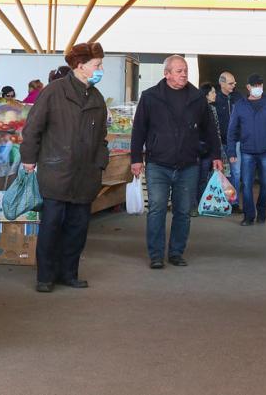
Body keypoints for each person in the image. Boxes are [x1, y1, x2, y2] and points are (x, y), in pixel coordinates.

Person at [20, 42, 109, 293]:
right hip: (57, 172)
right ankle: (45, 277)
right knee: (52, 226)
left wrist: (100, 162)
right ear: (81, 66)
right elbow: (33, 128)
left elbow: (102, 137)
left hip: (86, 174)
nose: (101, 69)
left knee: (77, 228)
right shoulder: (53, 91)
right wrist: (28, 158)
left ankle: (69, 273)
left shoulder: (96, 97)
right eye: (97, 65)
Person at [130, 55, 222, 269]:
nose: (184, 74)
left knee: (183, 211)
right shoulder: (150, 96)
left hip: (188, 165)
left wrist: (216, 155)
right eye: (179, 71)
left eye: (185, 70)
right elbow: (139, 129)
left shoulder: (197, 98)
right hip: (157, 164)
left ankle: (176, 252)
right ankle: (155, 255)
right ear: (167, 74)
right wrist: (136, 158)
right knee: (157, 209)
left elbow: (210, 129)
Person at [227, 74, 266, 226]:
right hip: (247, 151)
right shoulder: (240, 105)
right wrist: (231, 151)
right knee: (246, 185)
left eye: (260, 85)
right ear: (248, 87)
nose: (258, 88)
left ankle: (262, 210)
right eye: (255, 85)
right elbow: (232, 130)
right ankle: (249, 215)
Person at [192, 82, 226, 215]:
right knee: (195, 178)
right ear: (205, 95)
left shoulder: (212, 109)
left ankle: (201, 204)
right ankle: (193, 205)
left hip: (206, 150)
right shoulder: (197, 109)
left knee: (202, 178)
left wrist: (216, 152)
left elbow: (214, 132)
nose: (215, 94)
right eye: (212, 92)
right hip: (195, 150)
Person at [213, 71, 242, 213]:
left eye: (234, 83)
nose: (233, 85)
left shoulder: (239, 98)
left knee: (236, 172)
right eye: (230, 83)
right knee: (219, 173)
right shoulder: (215, 99)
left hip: (235, 142)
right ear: (222, 83)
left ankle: (234, 202)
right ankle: (219, 201)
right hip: (219, 142)